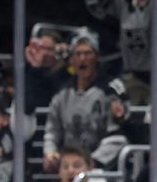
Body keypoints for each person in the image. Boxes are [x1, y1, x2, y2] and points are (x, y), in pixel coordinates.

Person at [42, 30, 117, 171]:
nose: (83, 59)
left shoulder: (110, 90)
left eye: (88, 53)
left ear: (96, 57)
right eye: (78, 54)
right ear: (71, 60)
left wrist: (92, 162)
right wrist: (50, 153)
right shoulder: (61, 94)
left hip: (99, 169)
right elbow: (52, 131)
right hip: (68, 167)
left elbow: (118, 137)